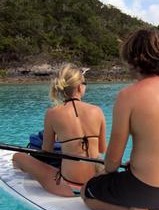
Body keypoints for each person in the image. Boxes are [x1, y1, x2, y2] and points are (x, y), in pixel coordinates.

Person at [81, 29, 159, 210]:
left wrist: (102, 172)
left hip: (144, 190)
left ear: (132, 58)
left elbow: (113, 162)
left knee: (87, 192)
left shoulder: (128, 96)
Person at [13, 64, 107, 196]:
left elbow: (47, 151)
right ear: (80, 87)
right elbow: (102, 149)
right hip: (95, 184)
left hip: (68, 186)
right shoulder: (97, 111)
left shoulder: (52, 113)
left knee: (18, 156)